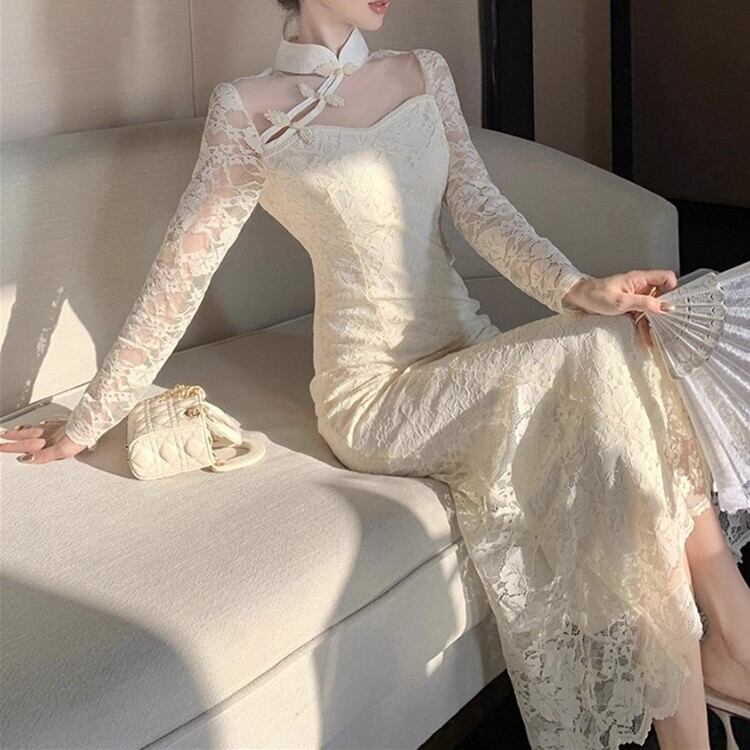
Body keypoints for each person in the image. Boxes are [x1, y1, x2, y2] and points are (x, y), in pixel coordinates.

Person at [2, 1, 749, 747]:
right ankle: (734, 643)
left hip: (468, 351)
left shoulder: (422, 73)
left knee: (616, 341)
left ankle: (720, 661)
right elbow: (178, 281)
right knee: (603, 364)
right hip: (376, 396)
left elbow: (481, 208)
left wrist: (576, 288)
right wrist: (88, 420)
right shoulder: (246, 109)